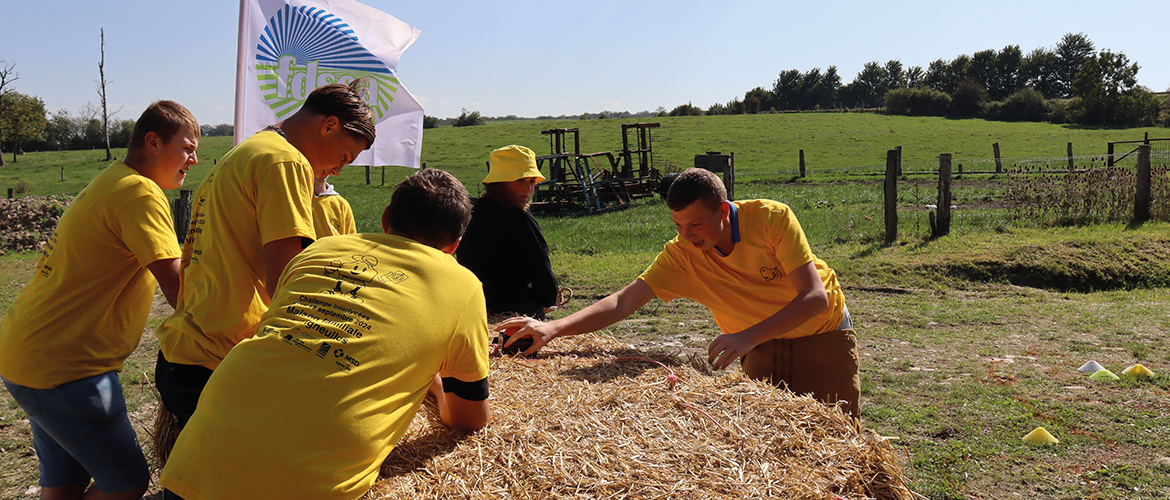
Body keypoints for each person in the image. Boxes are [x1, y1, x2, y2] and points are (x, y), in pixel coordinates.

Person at [159, 169, 491, 500]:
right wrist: (432, 386)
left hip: (201, 454)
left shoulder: (320, 249)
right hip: (307, 485)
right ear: (454, 245)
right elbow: (470, 418)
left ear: (386, 218)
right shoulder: (463, 286)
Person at [500, 168, 860, 418]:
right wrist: (553, 328)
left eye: (696, 224)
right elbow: (623, 301)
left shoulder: (771, 219)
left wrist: (747, 336)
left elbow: (814, 297)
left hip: (821, 336)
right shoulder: (683, 255)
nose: (687, 235)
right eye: (678, 225)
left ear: (723, 210)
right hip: (758, 344)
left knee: (837, 446)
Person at [0, 101, 199, 500]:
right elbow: (176, 286)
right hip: (67, 367)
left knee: (63, 484)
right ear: (153, 142)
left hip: (30, 352)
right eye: (187, 148)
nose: (194, 159)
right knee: (127, 483)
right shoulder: (139, 193)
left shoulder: (114, 179)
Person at [154, 80, 375, 429]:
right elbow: (287, 284)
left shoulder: (246, 152)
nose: (337, 170)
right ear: (329, 125)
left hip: (185, 352)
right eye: (344, 157)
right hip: (221, 363)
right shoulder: (285, 162)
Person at [456, 145, 558, 322]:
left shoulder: (471, 216)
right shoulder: (520, 219)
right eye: (520, 180)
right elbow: (540, 269)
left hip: (477, 312)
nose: (529, 188)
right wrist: (550, 298)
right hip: (518, 317)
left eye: (532, 181)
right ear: (499, 183)